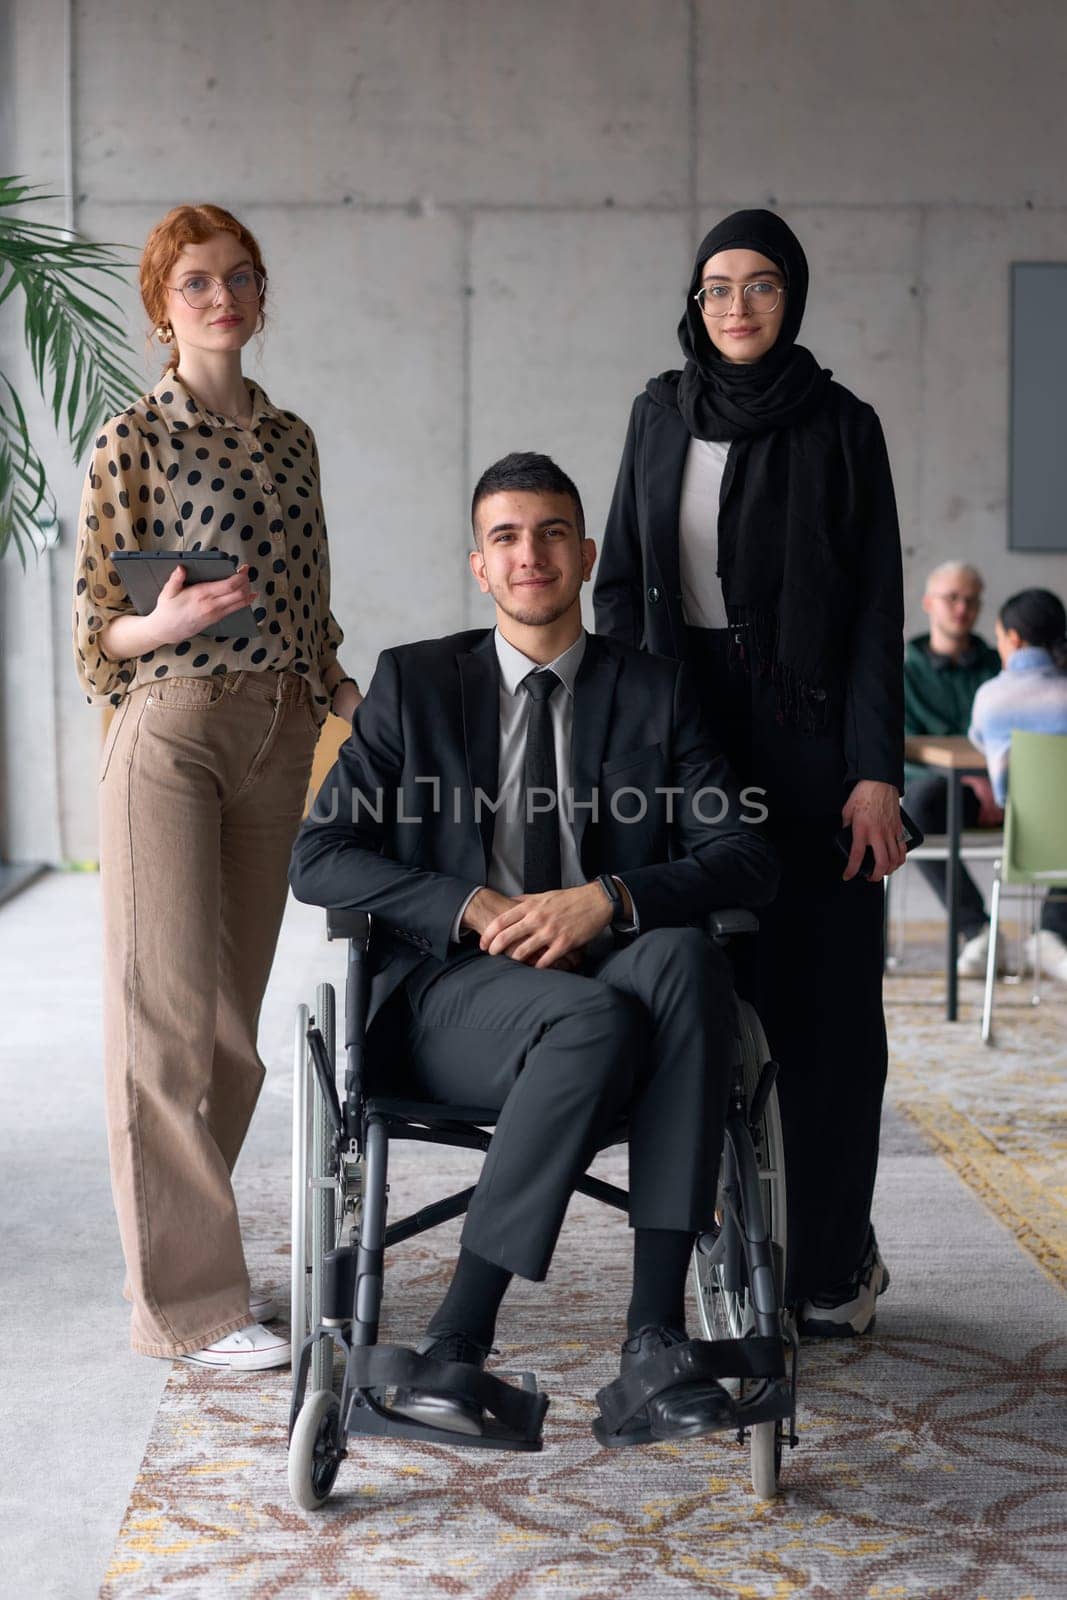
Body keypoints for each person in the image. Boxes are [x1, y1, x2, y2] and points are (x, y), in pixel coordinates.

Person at [290, 452, 779, 1444]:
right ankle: (455, 1340)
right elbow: (318, 856)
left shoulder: (655, 693)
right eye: (506, 536)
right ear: (480, 564)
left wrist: (608, 898)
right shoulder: (412, 683)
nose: (530, 554)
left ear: (584, 552)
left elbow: (745, 852)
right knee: (594, 1014)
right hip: (450, 994)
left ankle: (654, 1338)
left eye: (552, 532)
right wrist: (465, 903)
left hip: (613, 979)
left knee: (685, 963)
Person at [594, 208, 906, 1337]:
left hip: (814, 739)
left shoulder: (841, 425)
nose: (735, 306)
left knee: (826, 1014)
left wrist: (874, 773)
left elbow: (875, 613)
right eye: (716, 286)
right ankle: (740, 1247)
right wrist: (636, 718)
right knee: (713, 1006)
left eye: (760, 285)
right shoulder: (656, 412)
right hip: (688, 736)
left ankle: (829, 1264)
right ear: (693, 299)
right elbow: (621, 583)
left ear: (793, 298)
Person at [72, 204, 361, 1370]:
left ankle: (194, 1263)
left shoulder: (291, 438)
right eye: (195, 283)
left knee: (233, 1031)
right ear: (162, 306)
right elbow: (96, 630)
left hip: (282, 728)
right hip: (171, 730)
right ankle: (189, 1309)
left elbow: (313, 602)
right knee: (167, 1019)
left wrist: (349, 694)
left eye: (239, 277)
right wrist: (166, 619)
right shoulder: (130, 438)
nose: (222, 297)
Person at [902, 561, 1002, 977]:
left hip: (1008, 789)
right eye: (952, 598)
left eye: (971, 601)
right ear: (929, 603)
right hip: (944, 792)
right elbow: (900, 753)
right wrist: (968, 779)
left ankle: (1053, 933)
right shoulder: (902, 670)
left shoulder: (999, 664)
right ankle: (977, 929)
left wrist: (996, 779)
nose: (962, 609)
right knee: (917, 806)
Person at [969, 588, 1067, 982]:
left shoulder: (991, 697)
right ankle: (1051, 933)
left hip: (1020, 833)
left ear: (1013, 638)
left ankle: (998, 934)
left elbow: (978, 740)